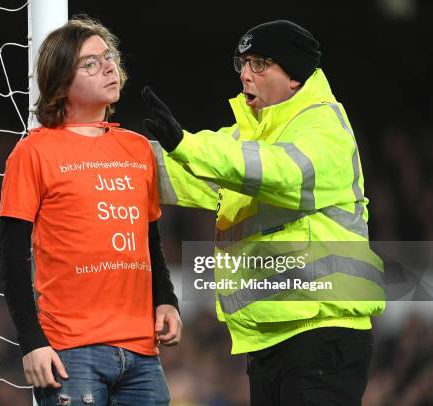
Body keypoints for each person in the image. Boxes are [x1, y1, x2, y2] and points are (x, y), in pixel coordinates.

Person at [142, 20, 385, 405]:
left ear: (294, 76)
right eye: (242, 63)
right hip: (271, 340)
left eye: (259, 63)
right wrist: (101, 154)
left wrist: (186, 145)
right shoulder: (249, 139)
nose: (244, 74)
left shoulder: (324, 125)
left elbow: (281, 171)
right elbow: (182, 173)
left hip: (321, 335)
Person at [0, 16, 181, 406]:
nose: (110, 66)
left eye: (109, 57)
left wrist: (166, 299)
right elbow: (12, 257)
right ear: (61, 82)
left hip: (142, 353)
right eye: (92, 63)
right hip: (70, 352)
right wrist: (31, 342)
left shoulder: (137, 147)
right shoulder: (32, 151)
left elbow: (148, 236)